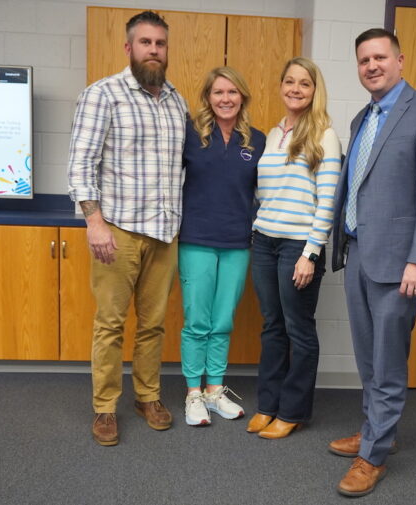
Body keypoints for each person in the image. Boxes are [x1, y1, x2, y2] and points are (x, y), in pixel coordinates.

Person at [329, 28, 416, 497]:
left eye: (380, 57)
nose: (372, 66)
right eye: (364, 60)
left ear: (400, 60)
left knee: (387, 359)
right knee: (368, 357)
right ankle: (376, 432)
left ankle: (374, 455)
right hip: (359, 251)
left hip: (403, 262)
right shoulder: (363, 116)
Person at [67, 10, 187, 447]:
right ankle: (104, 407)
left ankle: (148, 397)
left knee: (153, 325)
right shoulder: (103, 95)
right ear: (129, 48)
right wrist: (94, 222)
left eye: (160, 44)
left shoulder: (177, 100)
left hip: (164, 234)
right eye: (145, 43)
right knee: (111, 325)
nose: (153, 50)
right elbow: (80, 165)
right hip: (117, 232)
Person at [246, 57, 341, 439]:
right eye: (289, 81)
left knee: (298, 329)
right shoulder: (273, 134)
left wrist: (310, 253)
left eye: (305, 83)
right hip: (264, 242)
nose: (296, 89)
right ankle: (267, 405)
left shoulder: (324, 134)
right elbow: (265, 192)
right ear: (281, 86)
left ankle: (293, 410)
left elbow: (327, 200)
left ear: (315, 90)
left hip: (298, 246)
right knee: (272, 327)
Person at [180, 67, 265, 426]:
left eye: (232, 92)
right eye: (218, 92)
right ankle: (192, 395)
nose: (226, 99)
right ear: (208, 98)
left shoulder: (257, 141)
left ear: (242, 96)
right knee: (197, 321)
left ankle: (214, 391)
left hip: (236, 242)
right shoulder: (190, 135)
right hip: (196, 239)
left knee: (223, 321)